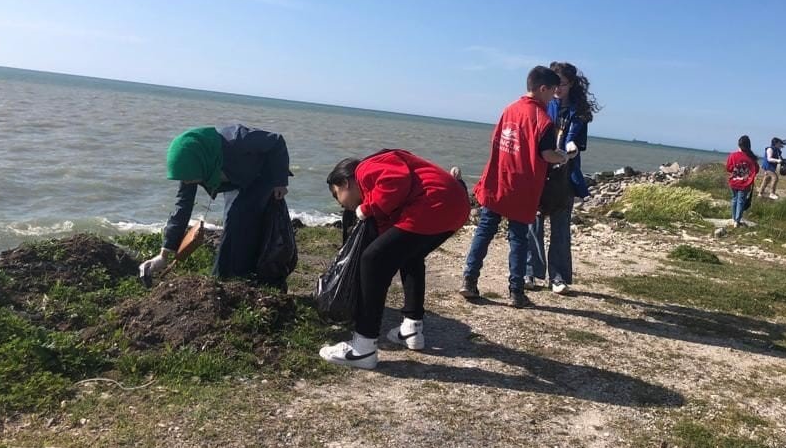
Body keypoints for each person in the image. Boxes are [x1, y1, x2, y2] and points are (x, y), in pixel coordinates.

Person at [319, 150, 470, 369]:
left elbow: (395, 180)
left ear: (344, 183)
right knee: (411, 257)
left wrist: (366, 209)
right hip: (455, 207)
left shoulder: (365, 170)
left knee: (372, 261)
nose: (343, 206)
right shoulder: (374, 188)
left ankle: (363, 347)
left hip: (434, 203)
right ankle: (412, 327)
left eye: (337, 196)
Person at [460, 66, 568, 308]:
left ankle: (469, 279)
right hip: (522, 185)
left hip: (497, 179)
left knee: (485, 229)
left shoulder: (509, 109)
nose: (555, 96)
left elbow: (496, 140)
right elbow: (547, 154)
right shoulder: (542, 119)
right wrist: (563, 157)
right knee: (518, 237)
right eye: (553, 91)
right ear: (543, 89)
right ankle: (516, 291)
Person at [139, 125, 290, 281]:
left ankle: (246, 277)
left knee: (237, 220)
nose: (186, 182)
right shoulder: (191, 167)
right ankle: (222, 279)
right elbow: (182, 207)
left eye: (188, 178)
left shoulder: (238, 139)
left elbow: (276, 141)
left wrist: (280, 181)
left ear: (198, 164)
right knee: (231, 225)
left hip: (262, 175)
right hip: (236, 181)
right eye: (183, 178)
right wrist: (163, 255)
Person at [526, 62, 599, 295]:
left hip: (566, 175)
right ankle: (530, 271)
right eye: (555, 84)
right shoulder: (543, 105)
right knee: (533, 222)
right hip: (540, 171)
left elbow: (579, 143)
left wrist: (571, 148)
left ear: (572, 84)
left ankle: (557, 276)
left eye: (563, 84)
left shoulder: (579, 111)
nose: (557, 89)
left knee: (560, 226)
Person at [720, 136, 760, 236]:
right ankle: (737, 220)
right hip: (745, 183)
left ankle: (734, 219)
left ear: (739, 145)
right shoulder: (751, 158)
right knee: (741, 201)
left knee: (734, 199)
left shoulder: (733, 155)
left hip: (734, 181)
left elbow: (729, 168)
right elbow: (756, 169)